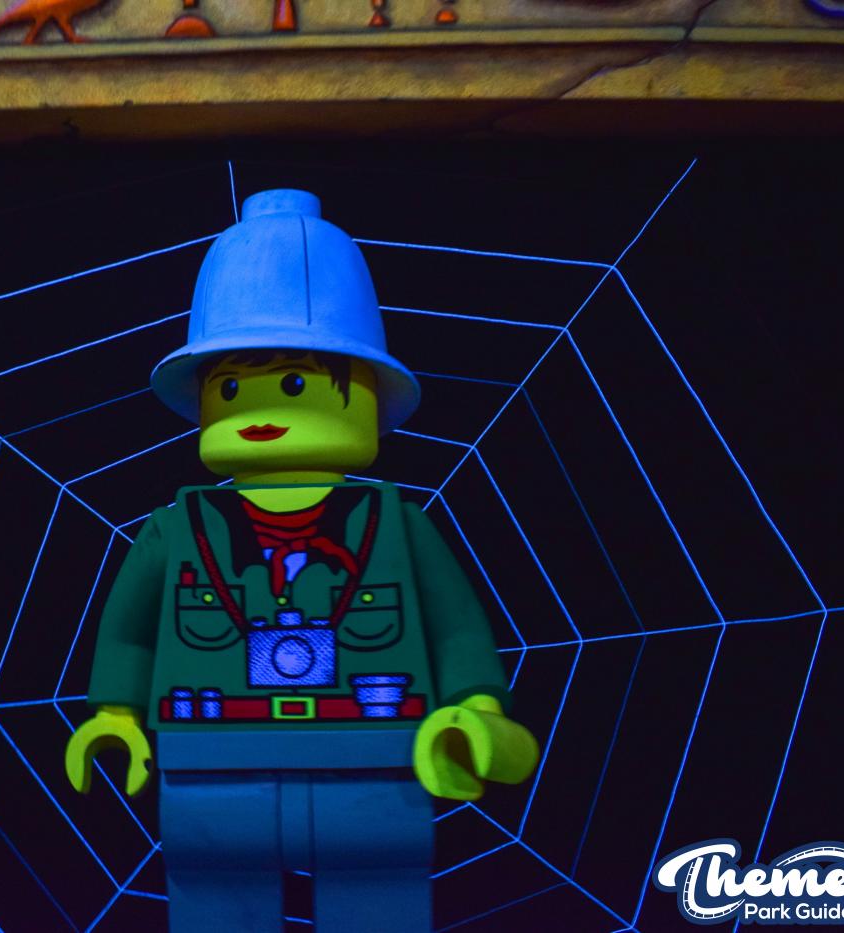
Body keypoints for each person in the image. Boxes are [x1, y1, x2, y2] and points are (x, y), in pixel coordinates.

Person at [65, 188, 538, 933]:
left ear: (368, 397)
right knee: (218, 894)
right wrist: (115, 712)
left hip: (376, 751)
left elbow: (455, 629)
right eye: (229, 386)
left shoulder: (395, 524)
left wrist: (477, 708)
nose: (259, 411)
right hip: (212, 754)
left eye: (295, 383)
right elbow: (129, 631)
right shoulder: (176, 530)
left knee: (376, 891)